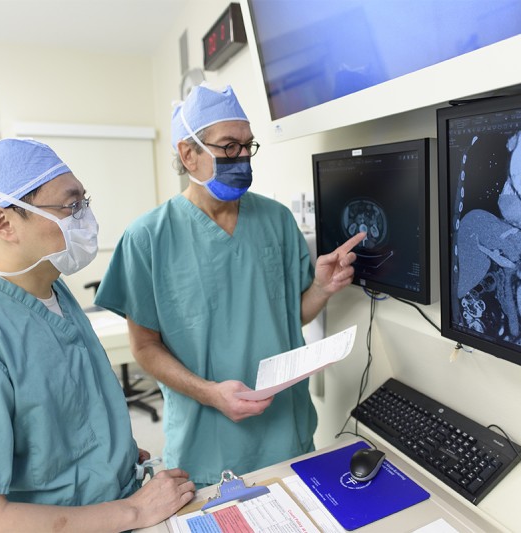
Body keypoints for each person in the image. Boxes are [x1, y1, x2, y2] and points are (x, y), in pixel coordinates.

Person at [0, 138, 194, 532]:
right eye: (70, 207)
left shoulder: (47, 284)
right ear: (3, 223)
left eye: (83, 203)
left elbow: (58, 415)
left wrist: (109, 460)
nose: (85, 218)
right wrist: (135, 511)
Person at [95, 84, 365, 488]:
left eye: (247, 146)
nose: (241, 158)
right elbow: (145, 348)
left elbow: (288, 314)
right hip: (207, 442)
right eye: (228, 147)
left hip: (286, 431)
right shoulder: (148, 238)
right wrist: (210, 394)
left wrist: (322, 290)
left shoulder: (275, 220)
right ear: (189, 154)